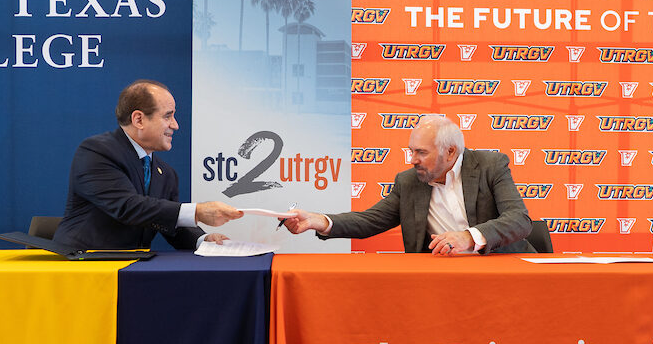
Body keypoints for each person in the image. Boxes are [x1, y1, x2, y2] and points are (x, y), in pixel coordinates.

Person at [282, 114, 535, 254]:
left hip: (500, 271)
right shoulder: (409, 182)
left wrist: (468, 238)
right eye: (411, 151)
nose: (412, 160)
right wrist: (318, 220)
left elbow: (519, 219)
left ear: (450, 152)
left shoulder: (491, 165)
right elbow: (369, 221)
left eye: (421, 153)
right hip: (439, 281)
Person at [54, 80, 241, 250]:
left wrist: (204, 240)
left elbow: (169, 223)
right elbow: (128, 206)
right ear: (139, 120)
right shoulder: (96, 152)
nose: (175, 125)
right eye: (168, 116)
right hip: (80, 267)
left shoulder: (166, 174)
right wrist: (198, 211)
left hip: (131, 270)